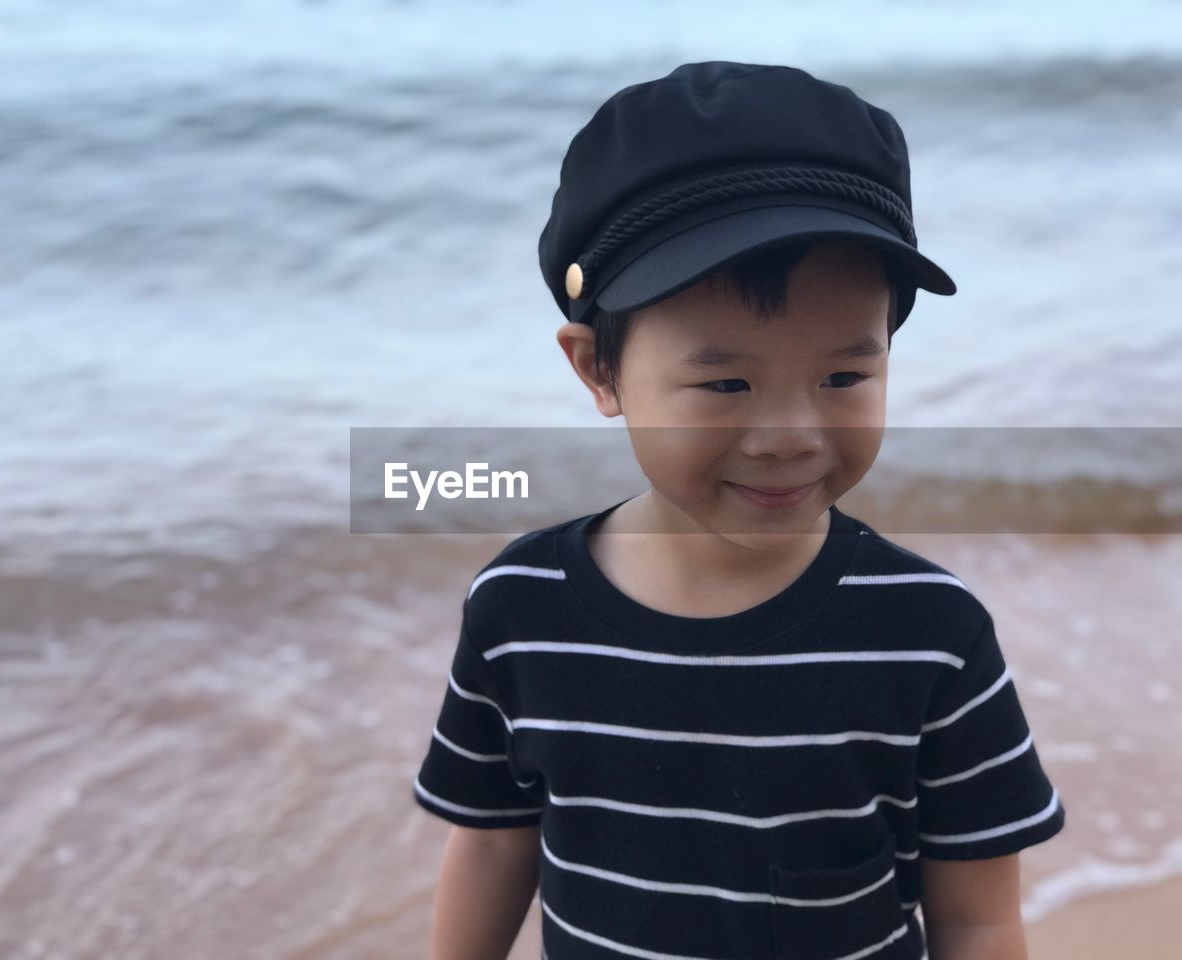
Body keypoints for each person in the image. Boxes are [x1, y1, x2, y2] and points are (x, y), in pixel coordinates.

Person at [411, 62, 1065, 960]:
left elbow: (980, 916)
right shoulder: (520, 608)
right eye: (725, 382)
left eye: (844, 376)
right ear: (597, 370)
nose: (789, 436)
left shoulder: (930, 633)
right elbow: (491, 844)